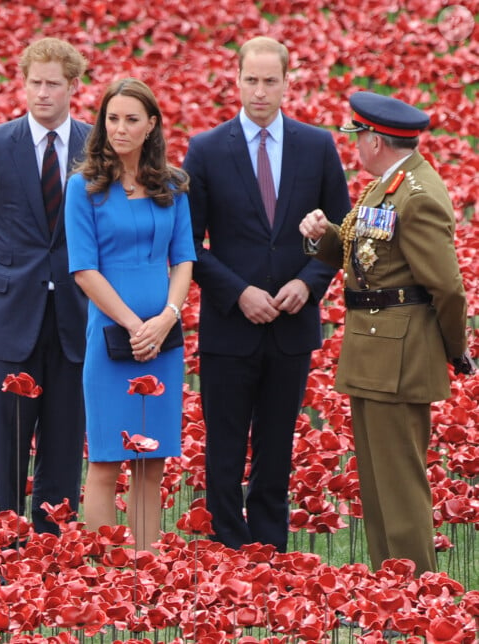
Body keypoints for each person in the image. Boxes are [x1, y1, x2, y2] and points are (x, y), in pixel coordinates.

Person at [183, 36, 351, 552]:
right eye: (251, 80)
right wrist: (238, 294)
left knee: (277, 446)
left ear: (286, 82)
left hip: (292, 326)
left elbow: (341, 231)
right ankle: (228, 548)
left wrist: (308, 282)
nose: (260, 91)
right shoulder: (207, 149)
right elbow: (189, 243)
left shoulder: (316, 145)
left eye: (270, 81)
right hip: (230, 327)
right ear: (236, 80)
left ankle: (272, 551)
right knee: (225, 447)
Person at [299, 90, 476, 575]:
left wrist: (454, 350)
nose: (354, 146)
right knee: (376, 485)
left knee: (399, 484)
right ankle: (389, 588)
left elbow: (447, 288)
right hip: (375, 351)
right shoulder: (389, 184)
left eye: (358, 137)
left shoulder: (417, 194)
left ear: (376, 140)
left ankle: (417, 592)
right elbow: (369, 259)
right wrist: (324, 236)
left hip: (399, 355)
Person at [0, 37, 91, 535]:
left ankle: (55, 553)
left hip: (76, 317)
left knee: (63, 441)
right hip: (10, 319)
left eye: (53, 84)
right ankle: (5, 548)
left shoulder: (94, 147)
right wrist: (11, 272)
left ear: (74, 86)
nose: (41, 94)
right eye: (34, 83)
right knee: (6, 444)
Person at [64, 78, 195, 552]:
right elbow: (83, 269)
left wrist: (166, 317)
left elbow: (184, 260)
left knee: (151, 460)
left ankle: (146, 561)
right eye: (112, 118)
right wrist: (135, 325)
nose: (119, 128)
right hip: (110, 335)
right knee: (106, 457)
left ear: (151, 126)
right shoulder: (84, 188)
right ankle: (106, 577)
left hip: (163, 338)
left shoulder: (174, 185)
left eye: (131, 119)